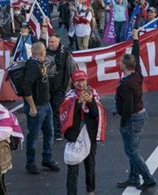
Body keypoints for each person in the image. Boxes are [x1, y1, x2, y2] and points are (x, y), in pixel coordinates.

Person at [115, 29, 156, 191]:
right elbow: (136, 56)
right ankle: (133, 178)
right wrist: (135, 39)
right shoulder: (137, 74)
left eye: (120, 62)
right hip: (140, 114)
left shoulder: (126, 84)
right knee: (134, 148)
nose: (119, 64)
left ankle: (148, 178)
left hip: (132, 118)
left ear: (125, 66)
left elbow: (128, 106)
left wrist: (123, 123)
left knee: (131, 150)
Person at [60, 70, 106, 195]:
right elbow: (66, 114)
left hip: (89, 135)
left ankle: (90, 190)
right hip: (74, 136)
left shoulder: (93, 94)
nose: (80, 84)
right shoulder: (69, 96)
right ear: (73, 83)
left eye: (83, 80)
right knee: (72, 167)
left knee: (90, 165)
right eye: (77, 81)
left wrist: (90, 101)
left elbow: (97, 114)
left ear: (86, 81)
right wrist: (78, 103)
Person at [22, 42, 60, 174]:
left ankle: (47, 158)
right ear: (42, 52)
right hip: (37, 106)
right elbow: (26, 88)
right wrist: (32, 107)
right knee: (33, 135)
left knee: (49, 132)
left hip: (45, 104)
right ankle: (30, 162)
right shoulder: (33, 66)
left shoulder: (39, 63)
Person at [46, 34, 74, 140]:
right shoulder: (44, 52)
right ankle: (49, 131)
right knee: (48, 110)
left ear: (58, 42)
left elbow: (72, 68)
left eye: (52, 42)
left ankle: (57, 132)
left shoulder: (65, 53)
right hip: (47, 87)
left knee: (56, 108)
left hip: (60, 87)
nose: (50, 44)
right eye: (49, 42)